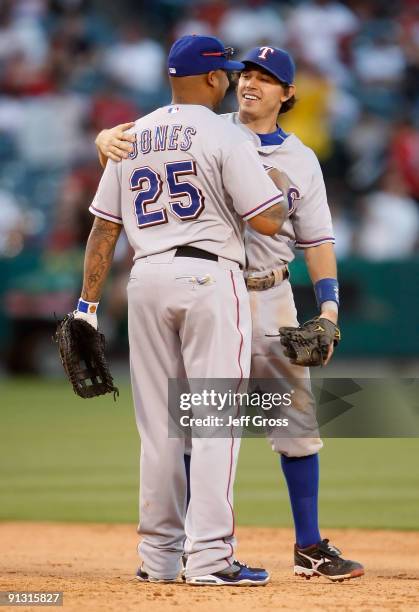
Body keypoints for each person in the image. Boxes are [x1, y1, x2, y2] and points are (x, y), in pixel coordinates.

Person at [96, 45, 364, 583]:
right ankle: (202, 550)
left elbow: (317, 242)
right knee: (199, 423)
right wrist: (102, 138)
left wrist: (329, 309)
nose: (252, 84)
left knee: (296, 426)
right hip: (212, 293)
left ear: (289, 94)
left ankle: (308, 546)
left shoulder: (301, 159)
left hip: (269, 295)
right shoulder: (208, 128)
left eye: (268, 79)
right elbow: (143, 135)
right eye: (246, 75)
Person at [75, 35, 287, 587]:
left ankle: (160, 559)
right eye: (229, 76)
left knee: (160, 431)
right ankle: (213, 558)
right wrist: (284, 189)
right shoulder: (223, 131)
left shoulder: (129, 135)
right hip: (209, 278)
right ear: (215, 80)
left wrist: (86, 306)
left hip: (144, 279)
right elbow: (266, 220)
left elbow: (103, 228)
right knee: (213, 423)